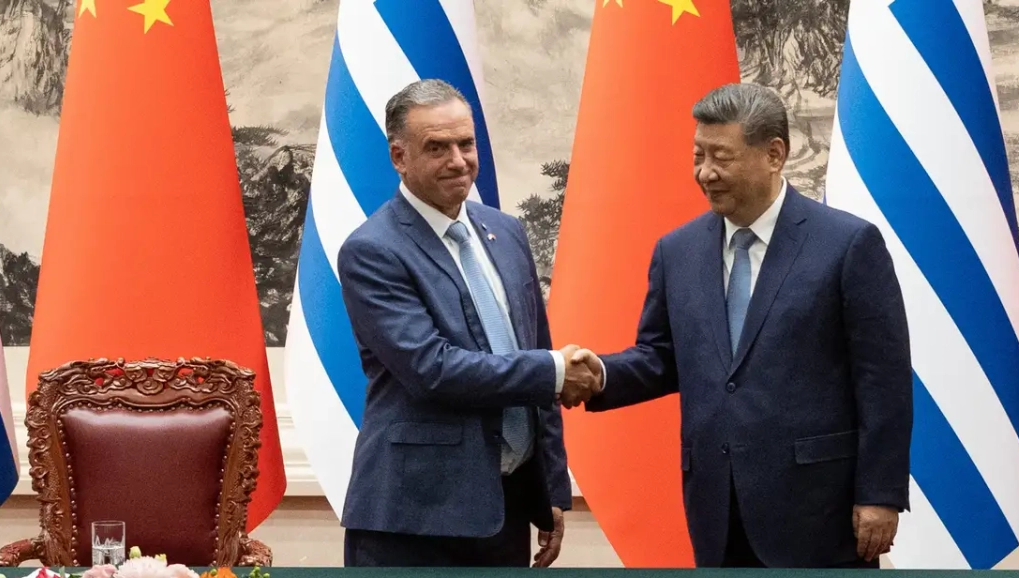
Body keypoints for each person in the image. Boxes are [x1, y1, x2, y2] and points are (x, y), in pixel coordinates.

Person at [569, 83, 913, 568]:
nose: (705, 172)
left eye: (721, 157)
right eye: (698, 155)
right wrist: (600, 375)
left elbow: (883, 380)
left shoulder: (847, 245)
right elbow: (662, 357)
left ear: (774, 154)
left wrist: (880, 493)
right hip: (717, 510)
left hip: (820, 513)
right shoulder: (677, 251)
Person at [335, 79, 598, 567]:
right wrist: (557, 371)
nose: (458, 161)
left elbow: (536, 350)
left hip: (505, 510)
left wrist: (551, 488)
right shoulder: (372, 250)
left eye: (466, 144)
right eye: (437, 147)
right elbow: (433, 370)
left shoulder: (506, 231)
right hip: (414, 519)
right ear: (399, 157)